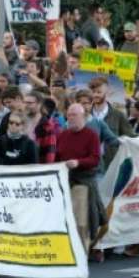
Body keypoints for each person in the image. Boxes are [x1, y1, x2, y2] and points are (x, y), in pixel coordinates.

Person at [57, 103, 104, 256]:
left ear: (83, 116)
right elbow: (57, 157)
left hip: (82, 181)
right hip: (65, 181)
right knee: (64, 220)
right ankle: (67, 253)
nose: (70, 118)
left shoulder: (91, 135)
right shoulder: (62, 135)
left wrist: (78, 162)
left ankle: (81, 254)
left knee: (81, 221)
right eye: (69, 115)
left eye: (74, 115)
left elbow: (95, 159)